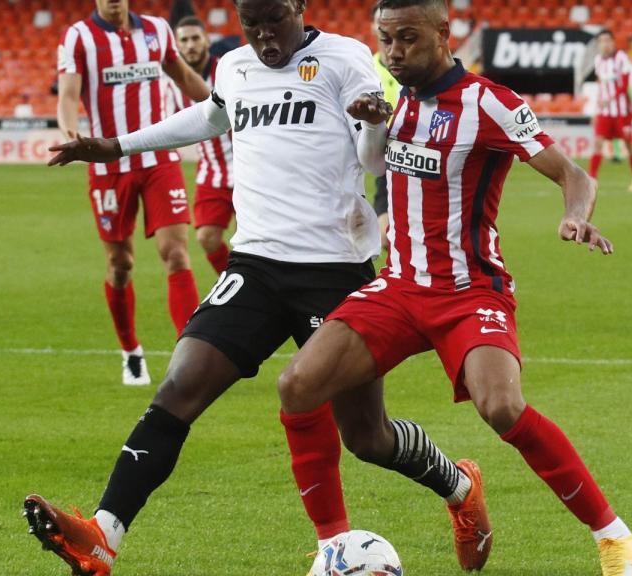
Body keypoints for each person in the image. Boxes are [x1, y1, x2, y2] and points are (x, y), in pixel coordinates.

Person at [24, 1, 479, 574]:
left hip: (334, 269)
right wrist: (117, 146)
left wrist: (372, 121)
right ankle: (102, 536)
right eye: (252, 25)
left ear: (300, 9)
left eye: (275, 21)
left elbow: (374, 160)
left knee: (367, 437)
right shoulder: (235, 66)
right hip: (257, 264)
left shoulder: (345, 58)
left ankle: (459, 488)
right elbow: (211, 118)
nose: (264, 36)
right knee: (179, 386)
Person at [276, 1, 632, 575]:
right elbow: (376, 168)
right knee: (298, 384)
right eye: (386, 40)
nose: (394, 52)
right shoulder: (396, 103)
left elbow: (575, 174)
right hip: (399, 286)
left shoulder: (488, 102)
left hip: (470, 291)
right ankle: (334, 548)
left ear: (443, 35)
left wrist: (576, 214)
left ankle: (616, 538)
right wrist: (374, 121)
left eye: (407, 38)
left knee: (501, 406)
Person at [56, 0, 210, 386]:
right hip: (109, 166)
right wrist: (71, 137)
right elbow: (69, 96)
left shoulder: (157, 30)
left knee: (175, 253)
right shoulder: (79, 37)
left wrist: (226, 108)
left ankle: (188, 361)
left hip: (159, 159)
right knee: (121, 265)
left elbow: (185, 77)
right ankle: (131, 350)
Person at [171, 16, 235, 274]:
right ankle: (231, 282)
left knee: (255, 244)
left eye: (195, 38)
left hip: (249, 169)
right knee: (206, 238)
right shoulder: (173, 85)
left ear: (207, 40)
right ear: (176, 46)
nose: (190, 45)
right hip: (212, 174)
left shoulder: (228, 71)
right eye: (184, 40)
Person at [590, 30, 632, 193]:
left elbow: (624, 84)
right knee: (598, 142)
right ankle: (591, 180)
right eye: (601, 41)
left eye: (607, 40)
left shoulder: (621, 58)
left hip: (621, 110)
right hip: (605, 111)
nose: (605, 44)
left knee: (628, 143)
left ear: (613, 42)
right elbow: (601, 83)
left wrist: (611, 98)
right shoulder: (598, 60)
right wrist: (598, 105)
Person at [370, 4, 403, 251]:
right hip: (379, 159)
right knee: (386, 236)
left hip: (412, 155)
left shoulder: (415, 69)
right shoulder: (364, 70)